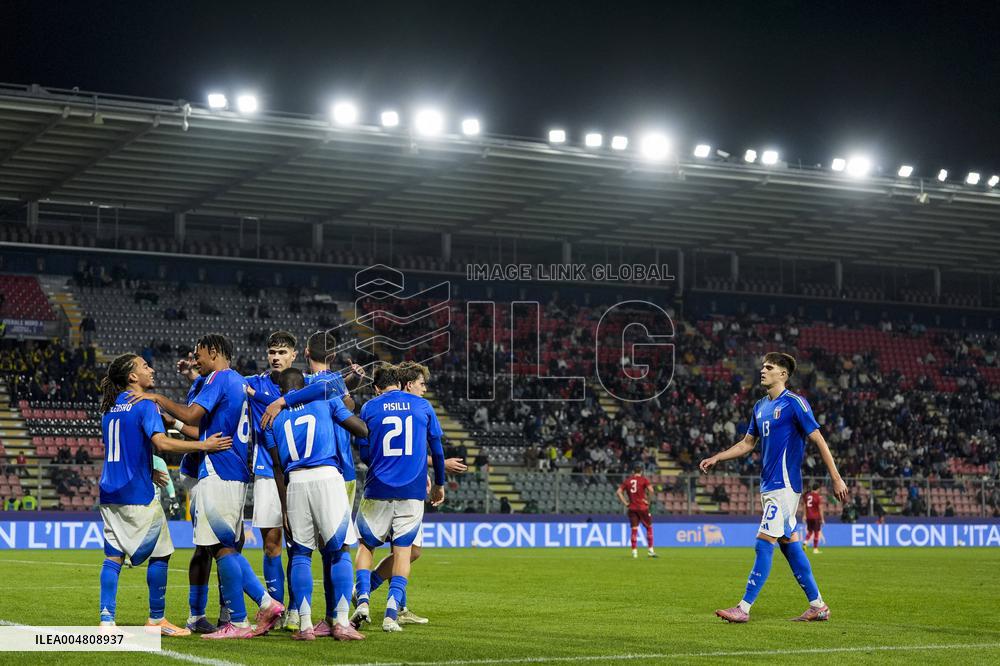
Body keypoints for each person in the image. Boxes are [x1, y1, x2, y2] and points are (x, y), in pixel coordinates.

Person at [134, 334, 284, 639]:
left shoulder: (219, 377)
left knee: (222, 547)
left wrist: (158, 398)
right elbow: (200, 425)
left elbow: (192, 414)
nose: (195, 358)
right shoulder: (237, 381)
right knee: (218, 545)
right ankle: (235, 615)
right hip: (233, 470)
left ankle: (250, 614)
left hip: (220, 469)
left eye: (199, 354)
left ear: (214, 352)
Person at [700, 352, 848, 623]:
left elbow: (818, 438)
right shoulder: (759, 406)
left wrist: (836, 477)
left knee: (763, 542)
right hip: (769, 486)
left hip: (784, 486)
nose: (763, 370)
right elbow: (747, 444)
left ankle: (743, 608)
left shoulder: (795, 403)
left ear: (783, 374)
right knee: (789, 545)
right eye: (763, 366)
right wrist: (718, 456)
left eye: (769, 367)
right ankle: (818, 605)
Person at [97, 352, 232, 635]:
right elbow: (163, 444)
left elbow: (125, 449)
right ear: (133, 377)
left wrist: (148, 469)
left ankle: (106, 619)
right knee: (162, 554)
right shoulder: (145, 406)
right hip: (137, 494)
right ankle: (156, 619)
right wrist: (204, 446)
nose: (152, 369)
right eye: (145, 366)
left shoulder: (109, 407)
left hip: (109, 493)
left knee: (112, 557)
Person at [264, 367, 369, 641]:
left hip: (294, 483)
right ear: (304, 384)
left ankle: (305, 626)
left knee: (300, 554)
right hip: (327, 477)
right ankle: (342, 622)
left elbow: (277, 467)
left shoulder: (271, 417)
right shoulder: (325, 400)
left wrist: (285, 508)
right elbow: (361, 430)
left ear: (280, 391)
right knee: (339, 551)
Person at [351, 364, 446, 633]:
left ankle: (364, 601)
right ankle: (391, 614)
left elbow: (366, 455)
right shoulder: (422, 406)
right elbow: (437, 452)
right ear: (401, 382)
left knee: (366, 546)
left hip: (377, 488)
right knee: (404, 550)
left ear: (377, 387)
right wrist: (438, 483)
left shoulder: (369, 407)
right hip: (411, 492)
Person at [245, 330, 298, 628]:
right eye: (272, 353)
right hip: (266, 471)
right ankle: (276, 610)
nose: (276, 357)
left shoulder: (302, 385)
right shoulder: (254, 382)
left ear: (293, 355)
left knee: (298, 545)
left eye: (282, 352)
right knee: (271, 544)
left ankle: (296, 609)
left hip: (300, 471)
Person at [616, 464, 657, 558]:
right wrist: (648, 502)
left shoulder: (627, 481)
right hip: (643, 508)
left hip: (632, 508)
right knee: (649, 528)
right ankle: (650, 550)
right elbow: (651, 490)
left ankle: (634, 552)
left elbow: (618, 492)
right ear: (641, 472)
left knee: (634, 530)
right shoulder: (644, 480)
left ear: (633, 472)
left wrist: (626, 503)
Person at [801, 482, 824, 554]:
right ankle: (815, 549)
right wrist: (822, 518)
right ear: (818, 489)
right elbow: (820, 508)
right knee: (816, 532)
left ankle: (805, 542)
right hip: (816, 517)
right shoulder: (818, 497)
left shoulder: (807, 496)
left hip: (808, 517)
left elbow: (804, 506)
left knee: (810, 531)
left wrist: (804, 515)